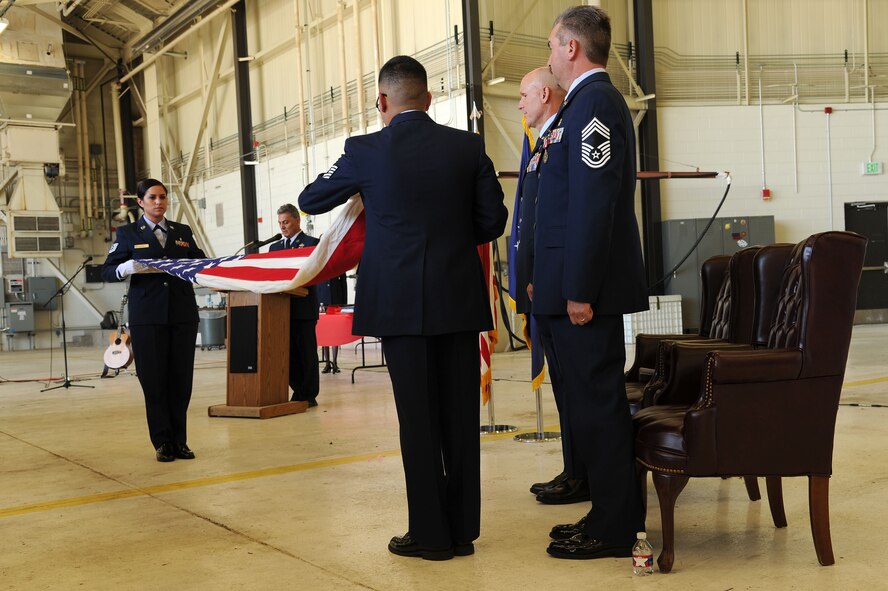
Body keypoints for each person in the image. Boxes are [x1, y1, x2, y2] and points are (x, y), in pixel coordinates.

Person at [299, 55, 506, 561]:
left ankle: (430, 535)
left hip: (397, 306)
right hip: (457, 302)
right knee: (459, 418)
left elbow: (311, 199)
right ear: (429, 99)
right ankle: (460, 532)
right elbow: (493, 220)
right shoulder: (467, 146)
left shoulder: (365, 150)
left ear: (382, 100)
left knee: (417, 421)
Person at [532, 6, 649, 559]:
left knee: (598, 407)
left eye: (553, 45)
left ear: (572, 48)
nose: (550, 55)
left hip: (584, 291)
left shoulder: (595, 105)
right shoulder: (581, 106)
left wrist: (579, 288)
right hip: (569, 287)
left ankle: (616, 527)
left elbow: (593, 205)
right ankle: (606, 513)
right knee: (586, 406)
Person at [515, 68, 590, 505]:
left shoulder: (562, 136)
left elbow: (573, 218)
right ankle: (574, 470)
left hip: (566, 290)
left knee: (578, 391)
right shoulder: (544, 141)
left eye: (524, 95)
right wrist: (530, 279)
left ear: (544, 93)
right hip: (544, 288)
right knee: (564, 390)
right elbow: (534, 223)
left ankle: (586, 477)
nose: (520, 103)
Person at [101, 178, 206, 463]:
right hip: (148, 318)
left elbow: (200, 262)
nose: (159, 202)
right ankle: (162, 441)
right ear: (140, 202)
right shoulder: (128, 233)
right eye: (152, 198)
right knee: (155, 380)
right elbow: (107, 271)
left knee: (181, 380)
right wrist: (125, 267)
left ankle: (180, 441)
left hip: (182, 315)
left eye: (162, 197)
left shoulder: (181, 231)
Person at [269, 204, 320, 407]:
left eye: (286, 222)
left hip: (304, 307)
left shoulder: (311, 243)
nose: (283, 227)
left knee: (306, 352)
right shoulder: (274, 248)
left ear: (297, 220)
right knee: (288, 353)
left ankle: (309, 393)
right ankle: (297, 389)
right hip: (281, 309)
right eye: (280, 223)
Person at [316, 272, 348, 373]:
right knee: (325, 333)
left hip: (335, 300)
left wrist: (344, 303)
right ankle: (327, 363)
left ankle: (334, 362)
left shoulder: (339, 262)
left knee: (335, 332)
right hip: (323, 300)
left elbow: (343, 284)